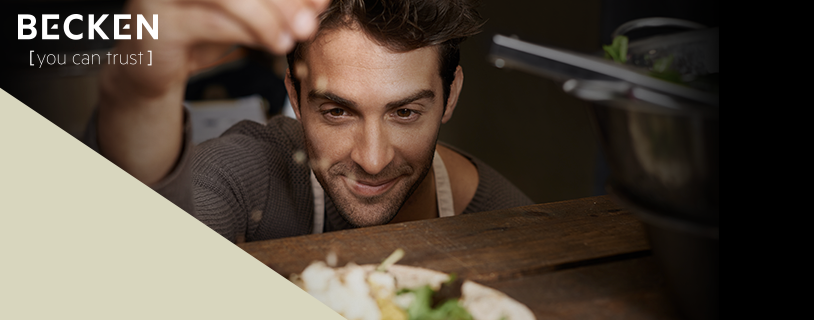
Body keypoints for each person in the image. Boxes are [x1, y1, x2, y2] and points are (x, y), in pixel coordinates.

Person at [88, 0, 533, 243]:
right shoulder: (248, 175)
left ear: (450, 95)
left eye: (405, 113)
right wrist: (137, 95)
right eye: (337, 112)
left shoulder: (507, 221)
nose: (373, 160)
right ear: (296, 98)